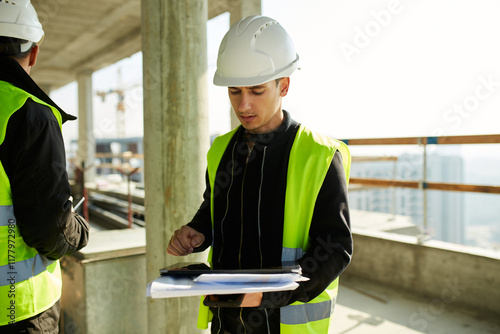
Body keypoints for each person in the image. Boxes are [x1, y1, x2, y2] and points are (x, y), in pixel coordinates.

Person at [167, 15, 352, 333]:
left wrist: (269, 293)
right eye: (234, 91)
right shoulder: (221, 149)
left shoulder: (320, 155)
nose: (244, 104)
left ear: (284, 85)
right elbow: (214, 209)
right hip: (227, 321)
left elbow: (336, 248)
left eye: (256, 90)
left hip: (282, 323)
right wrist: (197, 231)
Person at [0, 1, 90, 332]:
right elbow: (49, 226)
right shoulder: (28, 113)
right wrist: (78, 232)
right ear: (33, 53)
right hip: (18, 309)